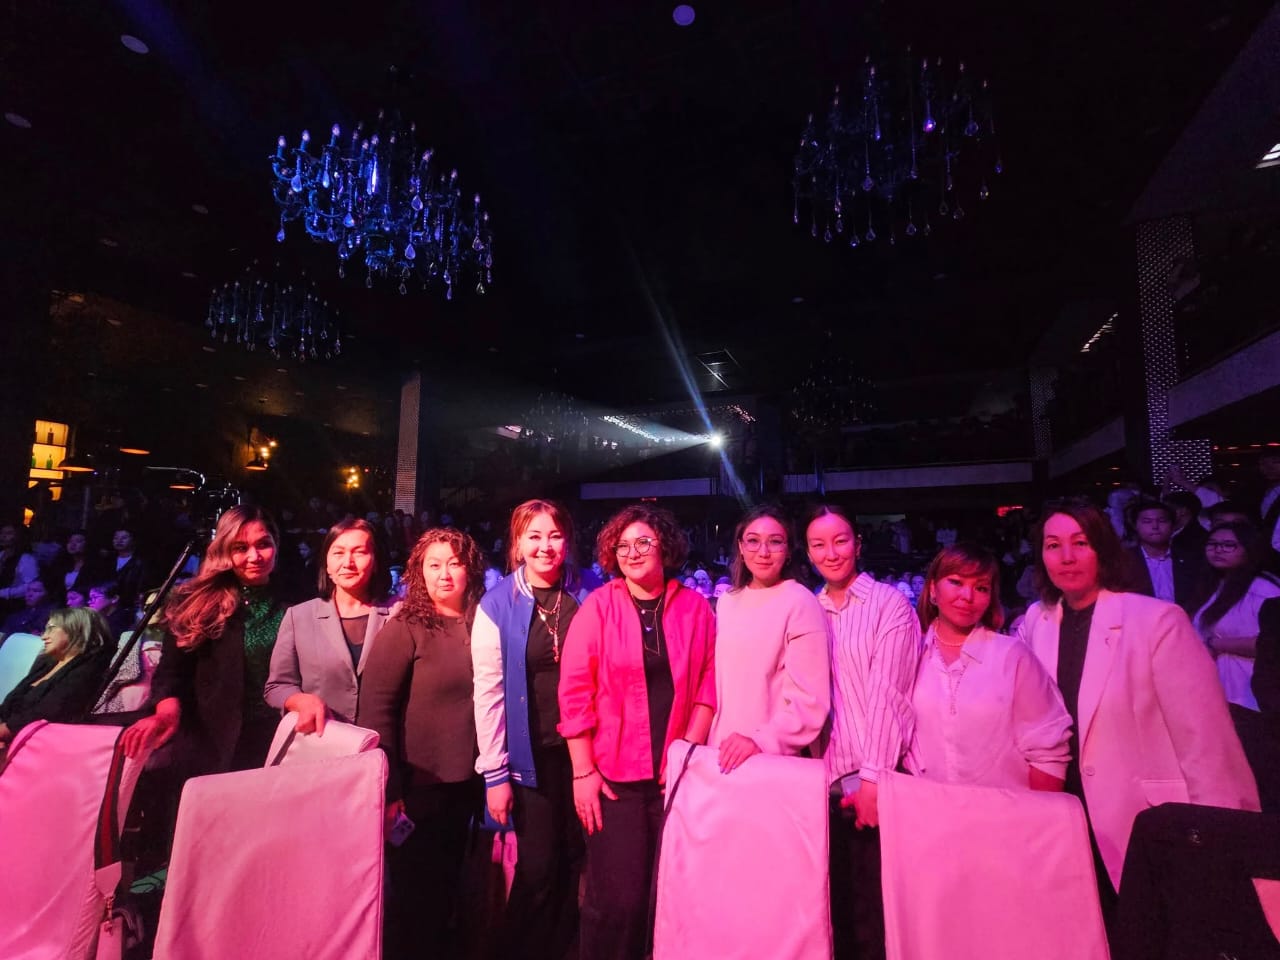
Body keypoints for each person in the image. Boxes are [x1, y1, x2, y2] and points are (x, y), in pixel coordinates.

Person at [1016, 497, 1259, 926]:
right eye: (1053, 545)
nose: (1067, 556)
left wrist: (1218, 834)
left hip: (1146, 819)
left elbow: (1205, 742)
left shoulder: (1156, 620)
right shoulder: (1039, 620)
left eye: (1081, 543)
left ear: (1104, 549)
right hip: (1068, 820)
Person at [558, 504, 716, 960]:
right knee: (617, 902)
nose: (632, 552)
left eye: (643, 542)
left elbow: (708, 683)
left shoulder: (695, 608)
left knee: (665, 898)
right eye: (623, 545)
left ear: (664, 546)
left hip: (676, 778)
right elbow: (574, 692)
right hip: (613, 779)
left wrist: (688, 755)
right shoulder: (599, 607)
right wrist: (583, 772)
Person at [472, 499, 591, 960]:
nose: (546, 546)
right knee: (539, 866)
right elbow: (489, 693)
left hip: (583, 752)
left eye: (555, 535)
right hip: (530, 756)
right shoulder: (496, 604)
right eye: (534, 536)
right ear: (518, 543)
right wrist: (495, 774)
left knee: (575, 856)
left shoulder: (587, 591)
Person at [359, 527, 485, 960]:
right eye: (434, 565)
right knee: (415, 898)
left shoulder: (481, 623)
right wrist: (390, 790)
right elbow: (376, 710)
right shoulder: (405, 627)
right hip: (417, 789)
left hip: (466, 784)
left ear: (470, 569)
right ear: (419, 571)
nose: (444, 574)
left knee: (449, 888)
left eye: (454, 563)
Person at [805, 504, 919, 960]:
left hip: (874, 779)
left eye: (840, 541)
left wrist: (873, 779)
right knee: (838, 912)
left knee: (880, 914)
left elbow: (890, 695)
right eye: (818, 544)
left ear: (857, 543)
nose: (831, 553)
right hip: (823, 782)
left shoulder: (888, 604)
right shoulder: (808, 609)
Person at [121, 506, 288, 774]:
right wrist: (166, 713)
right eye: (240, 548)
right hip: (212, 740)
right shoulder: (196, 602)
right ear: (224, 551)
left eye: (263, 544)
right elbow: (170, 674)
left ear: (276, 544)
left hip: (279, 735)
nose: (254, 556)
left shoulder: (295, 601)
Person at [906, 542, 1070, 789]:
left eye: (981, 587)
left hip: (1005, 807)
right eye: (956, 582)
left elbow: (1048, 752)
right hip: (928, 806)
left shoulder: (1012, 656)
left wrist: (1038, 809)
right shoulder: (911, 653)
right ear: (932, 589)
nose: (967, 596)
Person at [710, 504, 829, 771]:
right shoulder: (727, 602)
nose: (763, 552)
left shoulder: (800, 602)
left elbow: (810, 701)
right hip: (721, 754)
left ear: (788, 551)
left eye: (775, 542)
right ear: (740, 547)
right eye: (753, 541)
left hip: (769, 759)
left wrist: (762, 740)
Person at [265, 519, 396, 731]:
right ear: (327, 563)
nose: (348, 562)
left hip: (385, 742)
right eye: (338, 553)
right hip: (324, 738)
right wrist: (300, 701)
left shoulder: (399, 614)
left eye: (359, 552)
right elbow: (277, 686)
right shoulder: (299, 617)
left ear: (376, 561)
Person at [1192, 520, 1280, 809]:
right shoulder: (1214, 586)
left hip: (1252, 697)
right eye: (1212, 544)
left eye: (1228, 545)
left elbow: (1270, 643)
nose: (1218, 550)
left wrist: (1218, 644)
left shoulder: (1264, 588)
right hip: (1221, 692)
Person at [0, 607, 114, 752]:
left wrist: (4, 732)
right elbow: (11, 702)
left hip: (37, 745)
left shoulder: (90, 669)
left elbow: (47, 714)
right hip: (10, 734)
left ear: (76, 629)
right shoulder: (47, 662)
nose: (43, 636)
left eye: (51, 628)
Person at [1126, 498, 1200, 613]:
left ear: (1173, 525)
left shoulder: (1191, 559)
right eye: (1147, 521)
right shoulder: (1124, 560)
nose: (1155, 526)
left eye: (1162, 521)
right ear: (1135, 526)